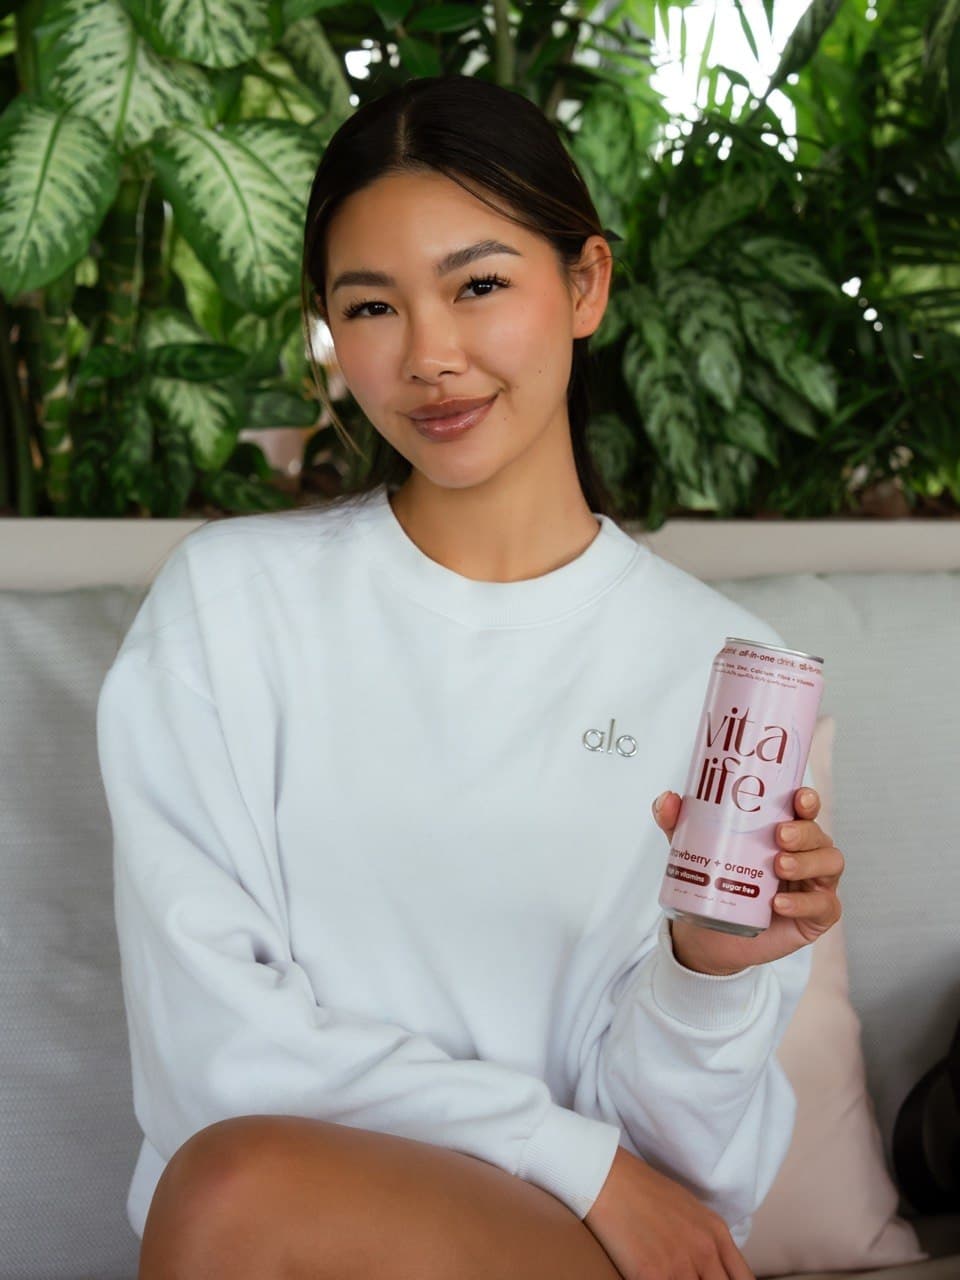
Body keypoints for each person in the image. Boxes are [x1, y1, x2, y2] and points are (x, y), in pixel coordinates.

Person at [96, 73, 845, 1280]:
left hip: (573, 1254)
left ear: (585, 283)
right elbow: (214, 1058)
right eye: (373, 306)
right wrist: (573, 1154)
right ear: (332, 330)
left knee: (235, 1200)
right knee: (235, 1187)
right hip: (283, 1232)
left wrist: (707, 971)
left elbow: (683, 1182)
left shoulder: (728, 674)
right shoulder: (229, 609)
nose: (430, 356)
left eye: (479, 284)